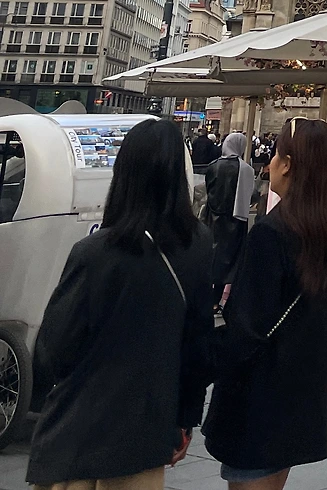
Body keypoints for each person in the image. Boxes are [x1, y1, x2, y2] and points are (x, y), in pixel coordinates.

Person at [28, 118, 214, 490]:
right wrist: (185, 418)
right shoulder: (198, 244)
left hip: (79, 428)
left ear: (124, 173)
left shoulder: (94, 251)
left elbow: (54, 349)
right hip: (146, 428)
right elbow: (198, 345)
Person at [204, 119, 327, 490]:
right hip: (302, 395)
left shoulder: (272, 233)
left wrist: (198, 362)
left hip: (258, 401)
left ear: (287, 164)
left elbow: (246, 327)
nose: (270, 163)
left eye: (275, 155)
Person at [205, 129, 255, 305]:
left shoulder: (213, 166)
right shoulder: (245, 169)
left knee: (210, 256)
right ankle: (216, 299)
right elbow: (251, 195)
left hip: (212, 217)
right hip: (235, 220)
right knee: (229, 261)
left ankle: (206, 295)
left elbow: (208, 189)